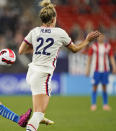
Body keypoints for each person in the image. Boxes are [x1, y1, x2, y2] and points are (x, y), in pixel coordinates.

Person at [18, 0, 100, 130]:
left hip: (32, 72)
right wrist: (87, 41)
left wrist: (38, 48)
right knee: (38, 114)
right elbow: (74, 49)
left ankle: (39, 117)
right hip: (42, 74)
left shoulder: (34, 31)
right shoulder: (59, 33)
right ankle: (36, 120)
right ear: (54, 18)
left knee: (45, 97)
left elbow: (21, 51)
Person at [86, 34, 116, 111]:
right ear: (97, 38)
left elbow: (111, 57)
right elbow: (89, 58)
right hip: (95, 70)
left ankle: (105, 105)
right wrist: (88, 69)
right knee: (94, 87)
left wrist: (114, 67)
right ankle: (93, 104)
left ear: (104, 37)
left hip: (105, 70)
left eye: (102, 36)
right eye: (99, 37)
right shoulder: (94, 46)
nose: (101, 38)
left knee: (104, 87)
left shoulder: (108, 46)